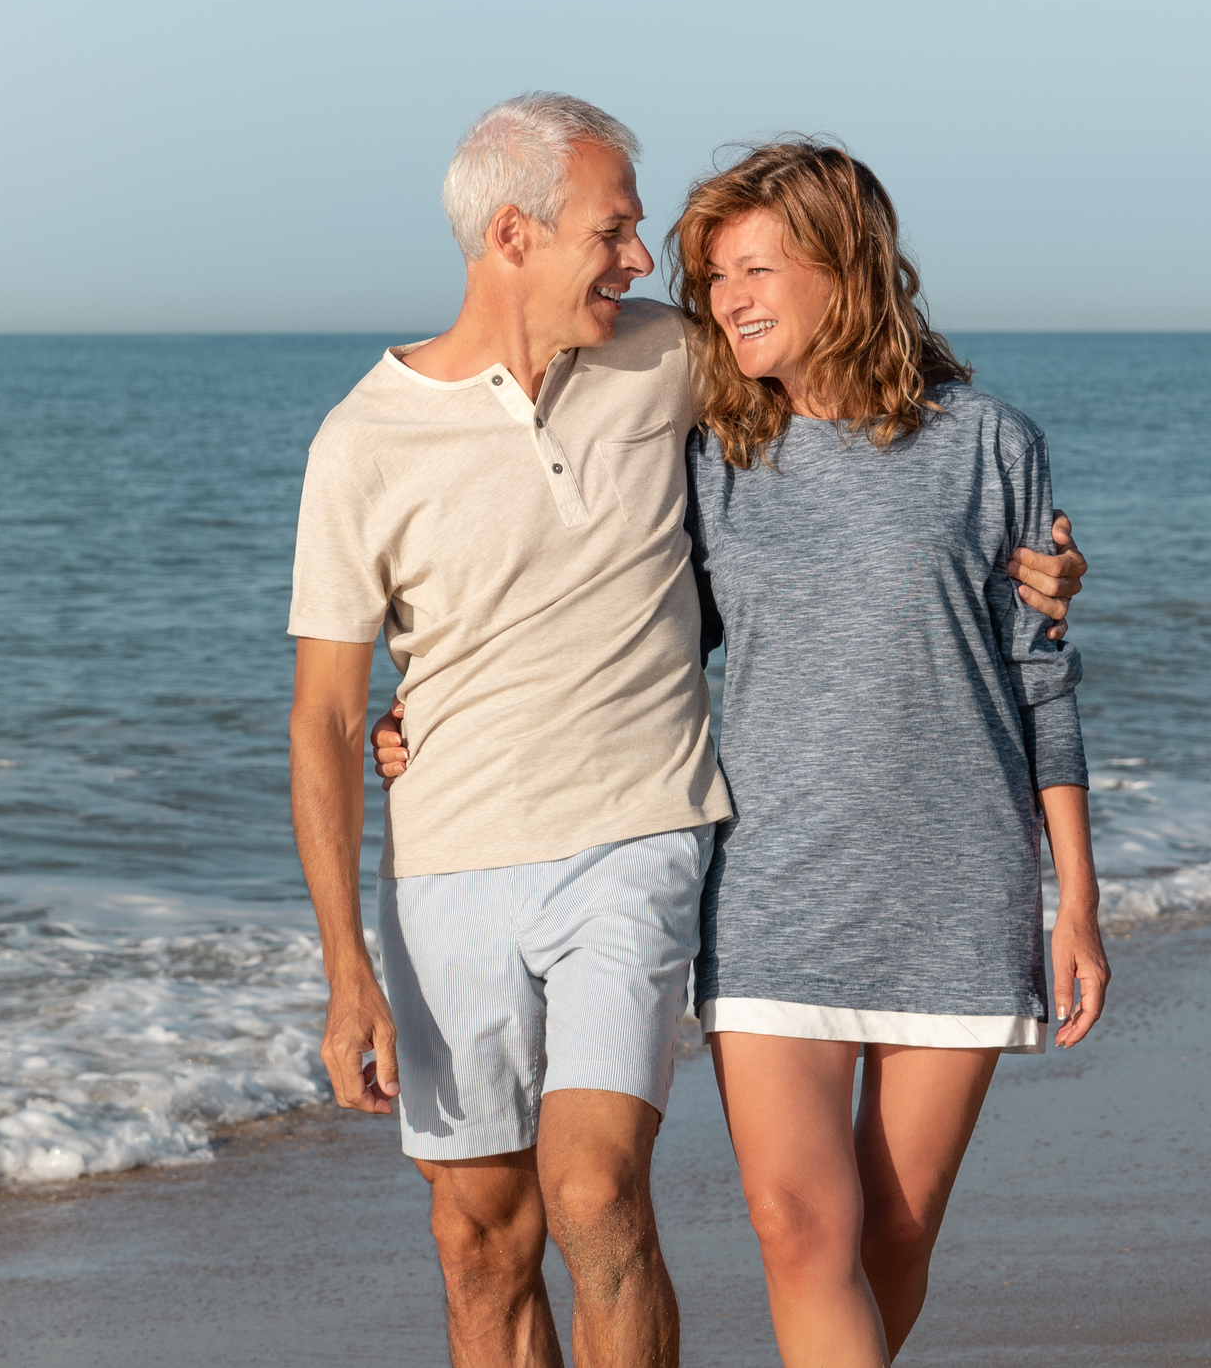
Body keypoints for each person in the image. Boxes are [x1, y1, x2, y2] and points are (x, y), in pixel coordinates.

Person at [289, 97, 1085, 1367]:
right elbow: (347, 702)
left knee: (652, 1200)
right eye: (618, 232)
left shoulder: (681, 362)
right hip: (506, 861)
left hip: (658, 842)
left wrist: (1026, 573)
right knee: (494, 1233)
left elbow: (898, 505)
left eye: (689, 254)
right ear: (512, 232)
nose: (652, 267)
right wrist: (359, 905)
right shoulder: (386, 439)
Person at [673, 140, 1108, 1366]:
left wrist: (1073, 899)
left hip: (952, 885)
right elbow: (634, 647)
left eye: (755, 265)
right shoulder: (713, 455)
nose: (728, 297)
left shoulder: (988, 446)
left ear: (842, 264)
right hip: (768, 886)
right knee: (795, 1227)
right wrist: (419, 719)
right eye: (713, 275)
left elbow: (1040, 672)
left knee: (893, 1240)